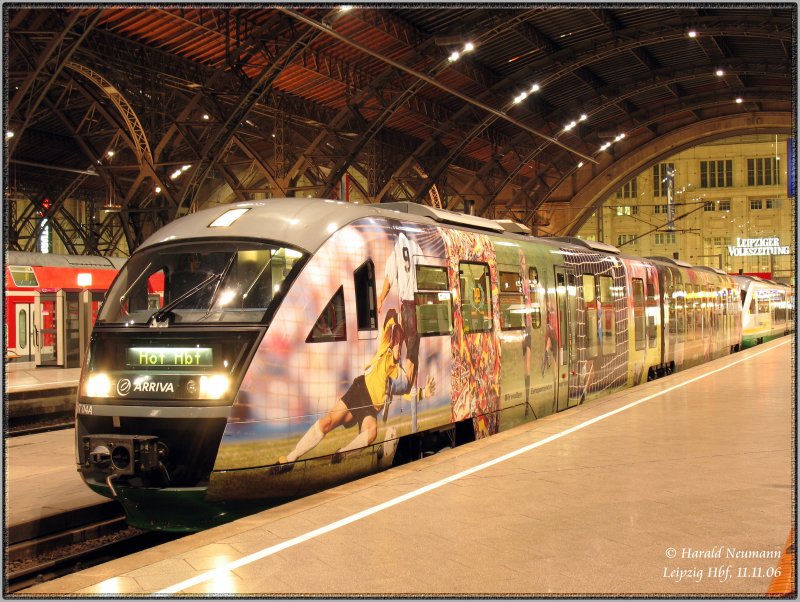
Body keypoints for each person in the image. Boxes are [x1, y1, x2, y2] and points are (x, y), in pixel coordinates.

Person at [271, 309, 434, 472]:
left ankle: (340, 455)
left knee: (371, 433)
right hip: (360, 390)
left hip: (371, 407)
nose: (398, 344)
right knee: (328, 422)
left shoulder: (398, 372)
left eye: (400, 340)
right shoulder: (385, 347)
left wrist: (423, 393)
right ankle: (290, 459)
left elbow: (404, 392)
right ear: (393, 340)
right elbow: (390, 314)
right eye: (396, 339)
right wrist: (400, 319)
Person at [376, 232, 424, 431]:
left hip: (404, 307)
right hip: (416, 306)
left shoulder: (396, 249)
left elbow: (389, 278)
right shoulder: (415, 247)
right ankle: (397, 390)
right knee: (412, 359)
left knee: (399, 354)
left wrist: (379, 300)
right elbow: (425, 273)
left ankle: (395, 385)